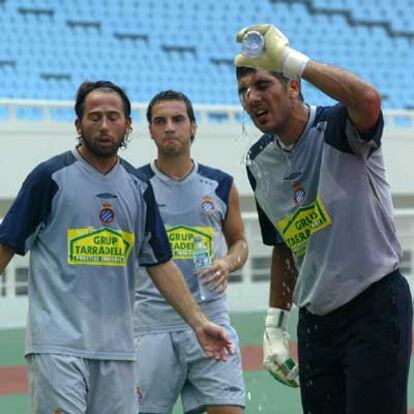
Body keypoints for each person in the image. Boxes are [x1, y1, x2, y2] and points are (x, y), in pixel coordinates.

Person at [0, 81, 233, 414]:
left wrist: (199, 323)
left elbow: (159, 262)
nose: (105, 125)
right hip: (58, 347)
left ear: (128, 125)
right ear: (78, 124)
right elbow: (6, 245)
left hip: (120, 352)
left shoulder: (138, 188)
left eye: (113, 117)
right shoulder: (50, 178)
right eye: (95, 117)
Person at [234, 24, 413, 413]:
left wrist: (289, 60)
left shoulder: (337, 127)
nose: (252, 97)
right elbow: (282, 245)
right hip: (315, 322)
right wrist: (274, 325)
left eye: (263, 84)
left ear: (294, 87)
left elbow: (367, 99)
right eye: (244, 91)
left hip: (374, 306)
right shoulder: (258, 161)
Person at [133, 90, 248, 414]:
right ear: (151, 130)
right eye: (160, 121)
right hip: (152, 326)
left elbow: (239, 241)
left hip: (212, 316)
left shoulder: (221, 184)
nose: (170, 127)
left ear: (194, 127)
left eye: (178, 119)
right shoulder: (133, 185)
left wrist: (228, 262)